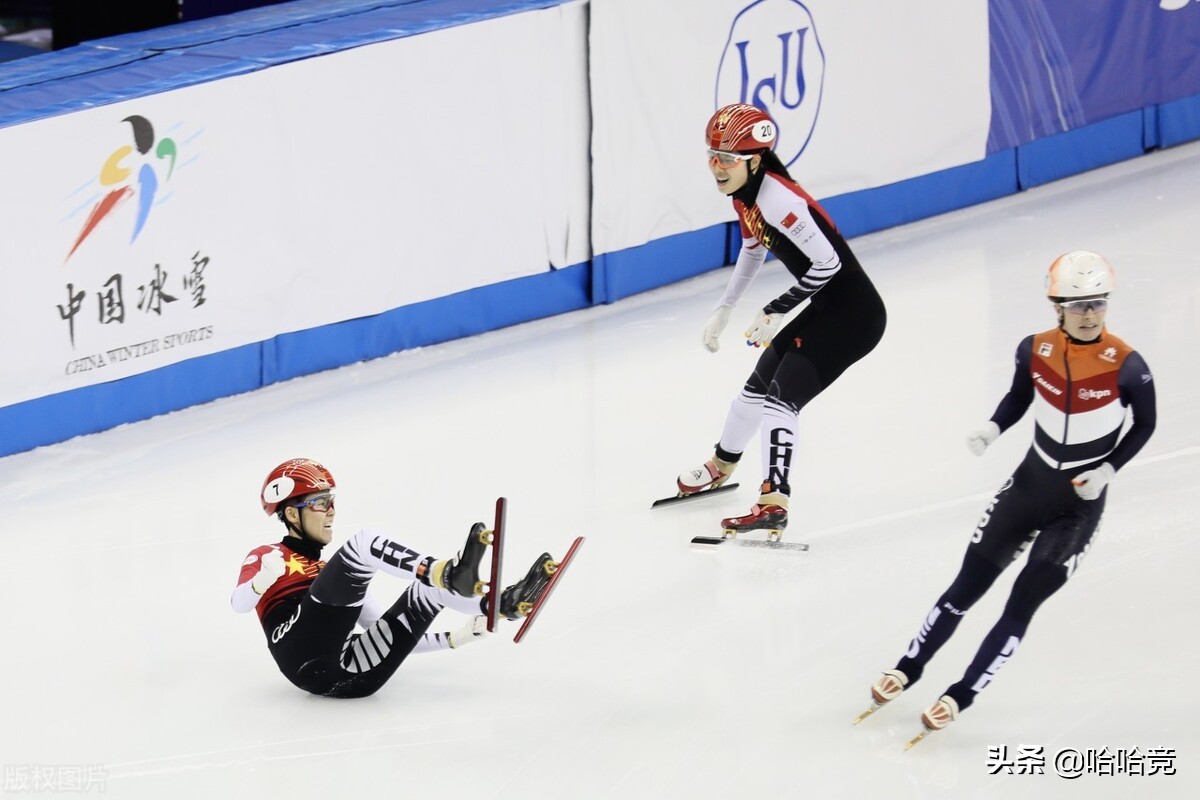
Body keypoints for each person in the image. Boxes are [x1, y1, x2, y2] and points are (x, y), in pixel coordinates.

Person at [865, 251, 1156, 736]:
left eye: (1098, 305)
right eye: (1079, 305)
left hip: (1076, 511)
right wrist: (993, 427)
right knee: (964, 588)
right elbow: (1020, 396)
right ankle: (908, 668)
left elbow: (1146, 424)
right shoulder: (1033, 349)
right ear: (1057, 307)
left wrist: (1108, 469)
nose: (1090, 315)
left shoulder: (1128, 364)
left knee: (1021, 603)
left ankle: (962, 693)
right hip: (1027, 488)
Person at [676, 103, 887, 537]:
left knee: (780, 398)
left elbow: (827, 264)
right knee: (757, 384)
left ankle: (773, 501)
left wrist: (776, 308)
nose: (716, 167)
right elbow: (753, 249)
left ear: (755, 160)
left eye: (727, 159)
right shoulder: (745, 194)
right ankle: (721, 464)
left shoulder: (778, 199)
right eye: (711, 156)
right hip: (826, 306)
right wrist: (725, 307)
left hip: (855, 315)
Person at [231, 458, 553, 698]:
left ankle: (501, 605)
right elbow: (239, 604)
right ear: (291, 514)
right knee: (365, 542)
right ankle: (446, 572)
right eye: (320, 503)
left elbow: (379, 628)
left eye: (332, 502)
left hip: (351, 676)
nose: (331, 511)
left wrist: (455, 639)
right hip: (298, 654)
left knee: (428, 590)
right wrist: (261, 580)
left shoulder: (334, 577)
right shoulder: (269, 556)